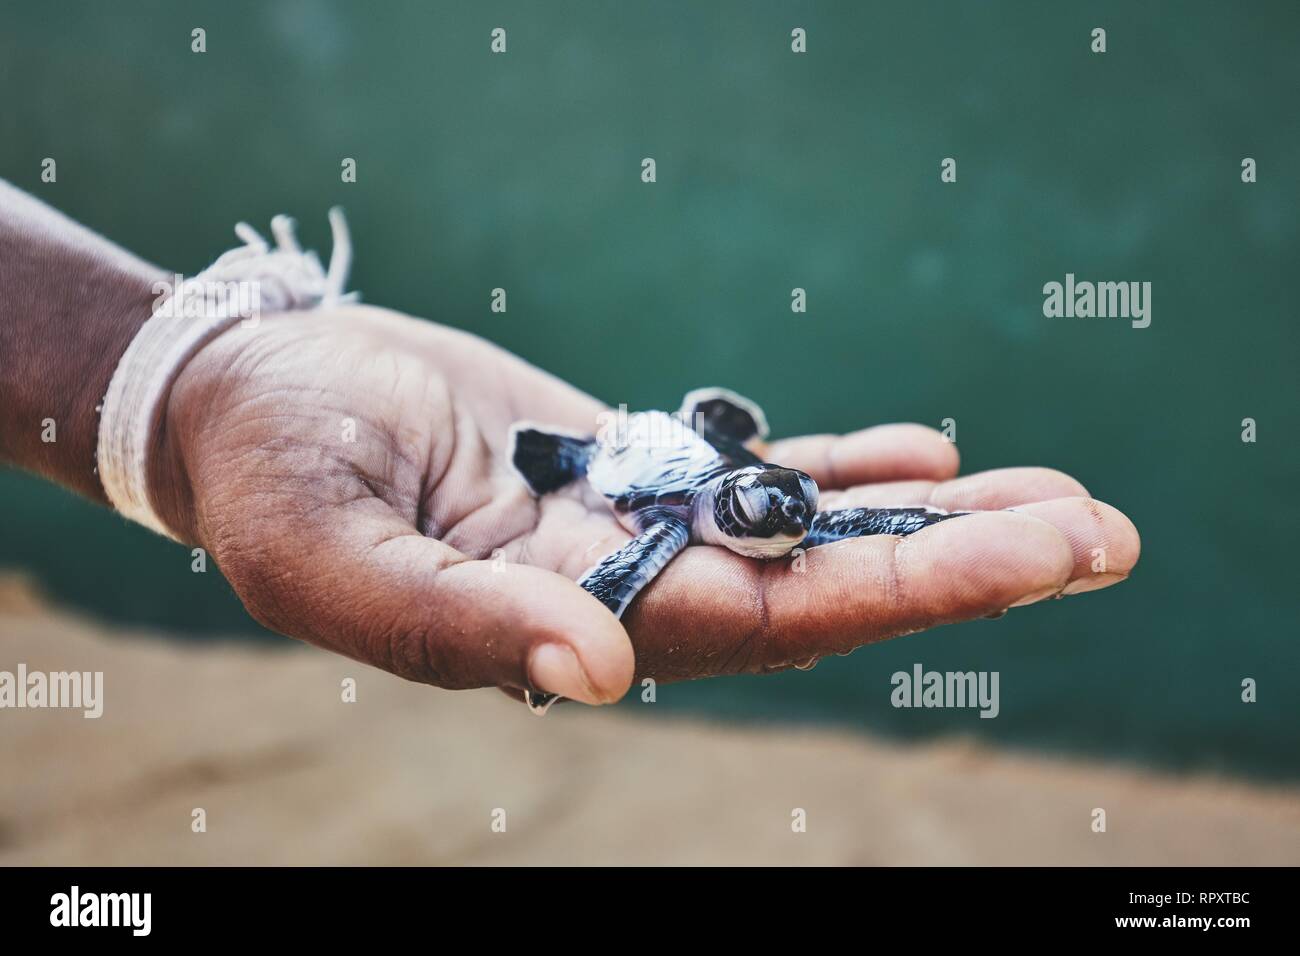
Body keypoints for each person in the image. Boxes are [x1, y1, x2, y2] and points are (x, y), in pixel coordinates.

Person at [0, 180, 1139, 708]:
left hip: (681, 452)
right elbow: (650, 535)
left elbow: (792, 505)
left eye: (780, 505)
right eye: (770, 510)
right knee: (609, 483)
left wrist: (172, 373)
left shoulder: (757, 496)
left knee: (846, 503)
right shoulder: (660, 514)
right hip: (626, 459)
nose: (789, 523)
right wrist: (195, 386)